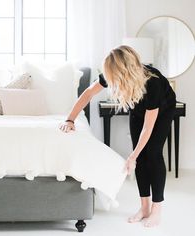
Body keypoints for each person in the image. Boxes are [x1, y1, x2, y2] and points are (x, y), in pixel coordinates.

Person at [59, 45, 176, 227]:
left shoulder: (153, 83)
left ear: (123, 72)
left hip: (162, 110)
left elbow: (148, 127)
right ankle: (144, 208)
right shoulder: (111, 74)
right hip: (138, 109)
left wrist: (132, 157)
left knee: (152, 154)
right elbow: (88, 93)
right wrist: (70, 120)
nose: (110, 80)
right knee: (139, 158)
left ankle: (156, 210)